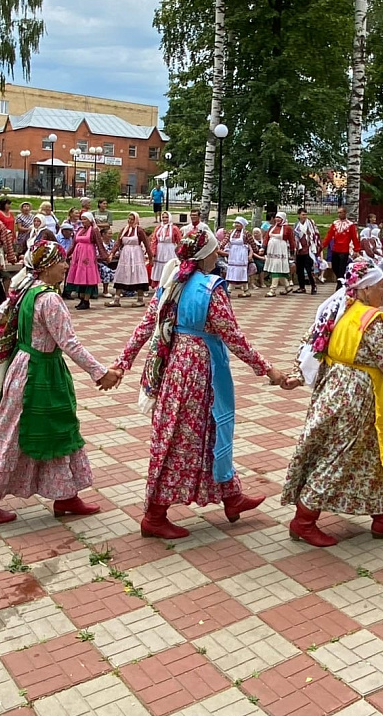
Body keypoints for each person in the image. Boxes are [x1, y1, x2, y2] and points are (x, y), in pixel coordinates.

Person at [113, 228, 291, 539]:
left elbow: (145, 327)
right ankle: (155, 515)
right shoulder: (209, 289)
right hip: (198, 370)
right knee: (186, 438)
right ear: (204, 255)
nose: (217, 254)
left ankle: (230, 495)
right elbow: (233, 336)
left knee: (202, 433)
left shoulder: (171, 285)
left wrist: (122, 363)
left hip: (175, 367)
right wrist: (268, 370)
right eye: (213, 250)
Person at [283, 258, 383, 546]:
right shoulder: (369, 320)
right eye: (382, 286)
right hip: (357, 397)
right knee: (339, 457)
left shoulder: (337, 310)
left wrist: (298, 374)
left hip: (333, 388)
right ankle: (303, 520)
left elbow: (310, 342)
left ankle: (382, 516)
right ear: (366, 289)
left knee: (370, 454)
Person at [0, 241, 122, 524]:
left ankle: (66, 496)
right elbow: (69, 342)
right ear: (48, 266)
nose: (66, 265)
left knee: (57, 430)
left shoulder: (26, 290)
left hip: (30, 369)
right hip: (37, 374)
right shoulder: (48, 299)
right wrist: (100, 373)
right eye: (62, 261)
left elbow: (0, 313)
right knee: (13, 435)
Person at [108, 212, 151, 308]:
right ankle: (116, 299)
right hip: (125, 255)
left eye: (132, 219)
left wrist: (151, 258)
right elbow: (118, 243)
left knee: (137, 274)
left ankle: (140, 299)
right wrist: (112, 253)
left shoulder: (139, 231)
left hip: (136, 255)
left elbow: (147, 244)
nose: (130, 221)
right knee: (121, 274)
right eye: (129, 219)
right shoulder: (124, 230)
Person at [64, 212, 104, 310]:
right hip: (78, 257)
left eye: (85, 219)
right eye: (82, 219)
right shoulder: (80, 230)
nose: (83, 221)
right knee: (80, 277)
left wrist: (105, 256)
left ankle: (86, 300)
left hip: (88, 256)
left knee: (88, 277)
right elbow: (73, 244)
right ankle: (82, 299)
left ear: (90, 220)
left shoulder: (94, 230)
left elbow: (99, 244)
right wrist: (66, 255)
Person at [321, 207, 357, 281]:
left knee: (342, 267)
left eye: (341, 212)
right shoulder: (335, 223)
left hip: (344, 250)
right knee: (334, 266)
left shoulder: (350, 225)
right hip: (335, 248)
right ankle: (342, 280)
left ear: (345, 213)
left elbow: (354, 237)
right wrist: (323, 245)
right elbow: (329, 236)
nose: (339, 214)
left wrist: (356, 249)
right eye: (338, 213)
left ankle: (340, 284)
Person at [263, 213, 294, 297]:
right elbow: (266, 238)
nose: (277, 219)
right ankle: (287, 287)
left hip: (280, 250)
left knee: (276, 268)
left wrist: (292, 253)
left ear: (283, 218)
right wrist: (263, 248)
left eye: (279, 218)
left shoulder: (287, 228)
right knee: (278, 268)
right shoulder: (272, 227)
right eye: (276, 217)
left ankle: (272, 290)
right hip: (271, 250)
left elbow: (291, 240)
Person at [293, 208, 319, 295]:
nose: (304, 216)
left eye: (305, 214)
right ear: (299, 215)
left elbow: (315, 234)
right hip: (299, 250)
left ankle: (313, 286)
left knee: (309, 270)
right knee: (299, 270)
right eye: (303, 215)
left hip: (308, 250)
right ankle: (302, 287)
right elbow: (295, 236)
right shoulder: (296, 225)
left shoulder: (310, 223)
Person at [225, 217, 253, 298]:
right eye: (236, 223)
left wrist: (256, 250)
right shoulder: (231, 232)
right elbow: (225, 240)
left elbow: (251, 242)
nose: (237, 225)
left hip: (241, 253)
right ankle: (246, 290)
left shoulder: (246, 233)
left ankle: (229, 290)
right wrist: (220, 247)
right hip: (233, 253)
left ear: (243, 225)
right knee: (233, 270)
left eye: (239, 223)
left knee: (241, 271)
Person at [151, 211, 181, 284]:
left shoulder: (174, 228)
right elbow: (154, 240)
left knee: (169, 265)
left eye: (166, 217)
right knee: (159, 266)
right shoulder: (158, 228)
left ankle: (168, 283)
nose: (164, 219)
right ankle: (158, 284)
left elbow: (179, 241)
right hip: (160, 250)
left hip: (170, 249)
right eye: (163, 217)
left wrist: (179, 252)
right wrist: (153, 252)